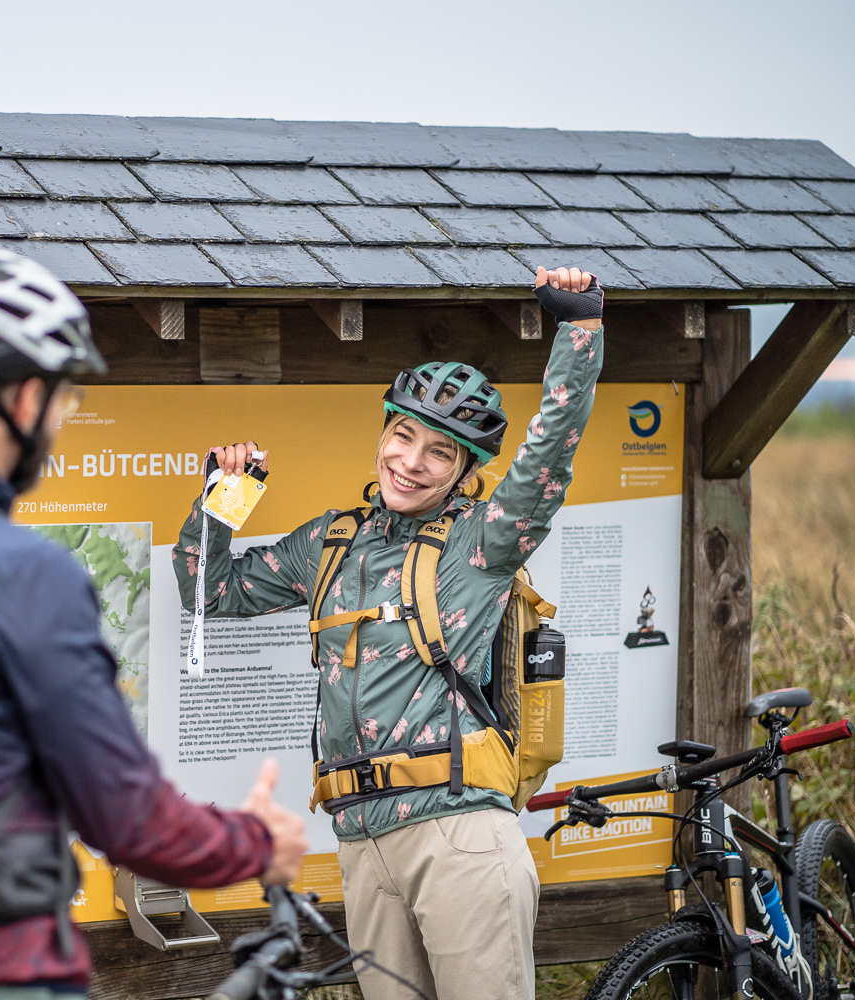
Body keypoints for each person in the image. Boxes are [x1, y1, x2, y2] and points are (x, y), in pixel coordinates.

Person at [0, 248, 308, 996]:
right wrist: (256, 842)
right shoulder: (21, 572)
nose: (63, 417)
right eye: (66, 397)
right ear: (29, 398)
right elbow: (128, 820)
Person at [170, 267, 605, 1000]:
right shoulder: (330, 543)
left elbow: (547, 457)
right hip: (361, 841)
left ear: (465, 469)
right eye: (403, 435)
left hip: (459, 834)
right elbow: (210, 595)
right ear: (384, 432)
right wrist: (226, 494)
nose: (410, 461)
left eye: (439, 451)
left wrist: (580, 330)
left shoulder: (484, 542)